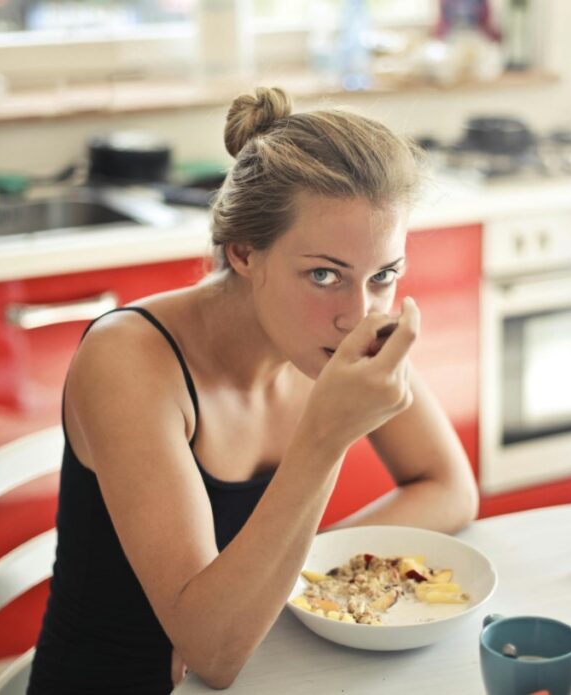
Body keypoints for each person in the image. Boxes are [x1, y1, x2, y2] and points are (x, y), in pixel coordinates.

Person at [28, 86, 479, 693]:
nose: (358, 314)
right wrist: (325, 438)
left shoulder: (339, 331)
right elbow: (212, 653)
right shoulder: (130, 361)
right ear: (244, 253)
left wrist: (278, 579)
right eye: (324, 275)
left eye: (383, 276)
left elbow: (449, 488)